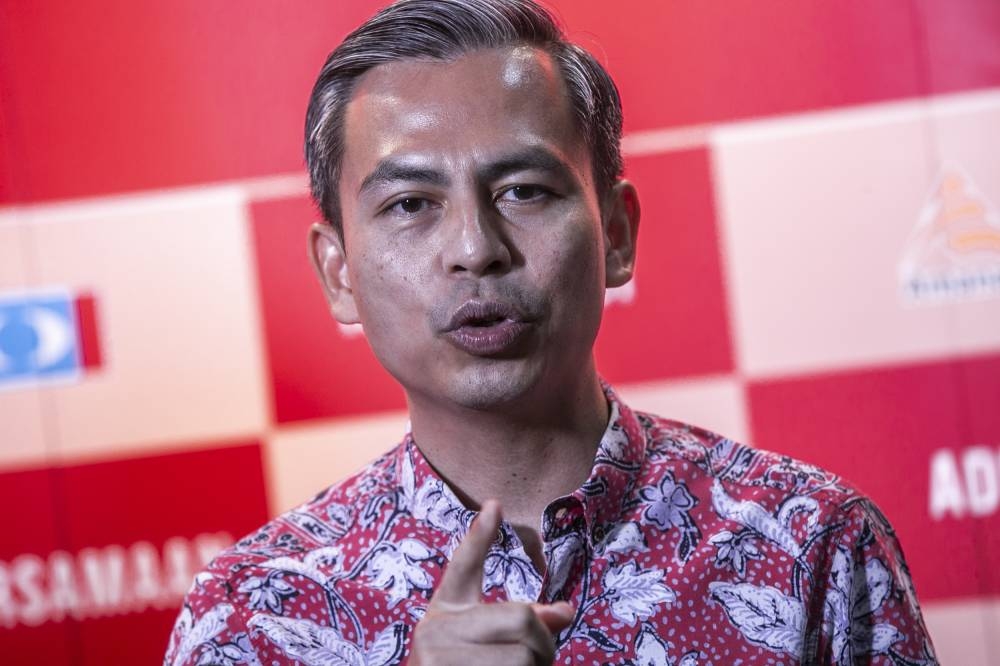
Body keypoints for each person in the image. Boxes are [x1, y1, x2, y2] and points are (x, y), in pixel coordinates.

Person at [165, 1, 938, 664]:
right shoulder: (252, 613)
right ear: (338, 273)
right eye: (410, 204)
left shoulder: (811, 547)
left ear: (616, 233)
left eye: (524, 190)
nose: (475, 248)